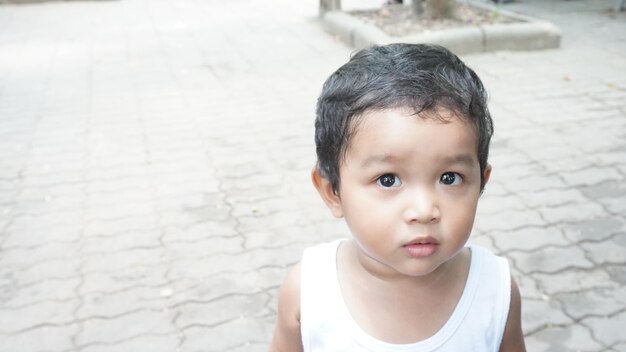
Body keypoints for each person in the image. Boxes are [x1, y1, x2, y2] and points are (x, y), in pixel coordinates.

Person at [270, 43, 526, 351]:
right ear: (332, 192)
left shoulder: (495, 291)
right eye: (388, 180)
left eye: (450, 178)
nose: (423, 210)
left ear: (481, 183)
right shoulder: (308, 294)